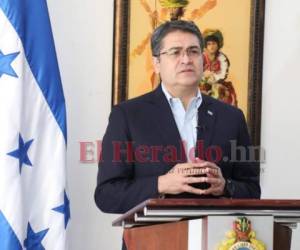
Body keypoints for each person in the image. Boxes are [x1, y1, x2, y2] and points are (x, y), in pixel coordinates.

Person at [94, 21, 260, 215]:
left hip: (215, 240)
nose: (186, 59)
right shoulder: (128, 115)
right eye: (175, 52)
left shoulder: (232, 116)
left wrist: (225, 186)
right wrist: (161, 184)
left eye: (193, 51)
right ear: (156, 63)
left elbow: (252, 190)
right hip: (153, 241)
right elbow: (106, 195)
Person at [200, 29, 238, 106]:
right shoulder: (202, 57)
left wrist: (214, 77)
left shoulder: (222, 58)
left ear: (218, 45)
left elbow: (223, 74)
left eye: (214, 44)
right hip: (203, 84)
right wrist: (204, 76)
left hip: (217, 83)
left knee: (224, 95)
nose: (211, 46)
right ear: (206, 46)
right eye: (209, 44)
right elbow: (197, 71)